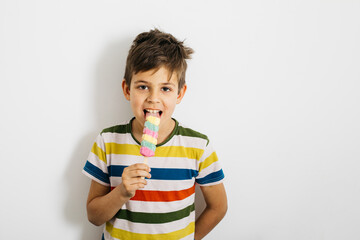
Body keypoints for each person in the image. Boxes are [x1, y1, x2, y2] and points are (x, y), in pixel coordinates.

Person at [83, 29, 227, 240]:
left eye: (165, 89)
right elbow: (94, 216)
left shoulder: (198, 146)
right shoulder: (108, 142)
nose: (153, 98)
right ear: (127, 89)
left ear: (180, 93)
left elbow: (219, 207)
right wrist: (122, 192)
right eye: (143, 86)